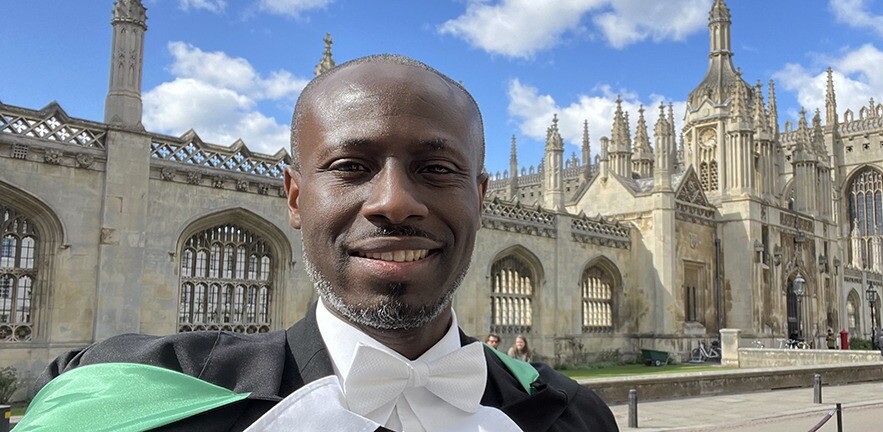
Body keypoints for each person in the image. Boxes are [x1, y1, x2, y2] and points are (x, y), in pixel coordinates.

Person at [21, 55, 619, 432]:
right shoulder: (138, 399)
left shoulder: (569, 415)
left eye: (436, 169)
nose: (394, 202)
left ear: (482, 199)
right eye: (350, 166)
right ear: (295, 196)